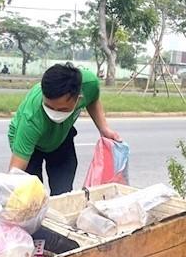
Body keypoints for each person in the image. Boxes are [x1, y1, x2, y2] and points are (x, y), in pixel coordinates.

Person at [8, 63, 121, 195]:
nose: (54, 113)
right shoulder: (31, 118)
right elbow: (16, 172)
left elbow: (93, 100)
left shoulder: (89, 84)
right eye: (49, 107)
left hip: (61, 136)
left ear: (79, 99)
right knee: (31, 194)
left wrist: (104, 128)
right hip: (32, 144)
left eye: (62, 109)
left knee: (63, 192)